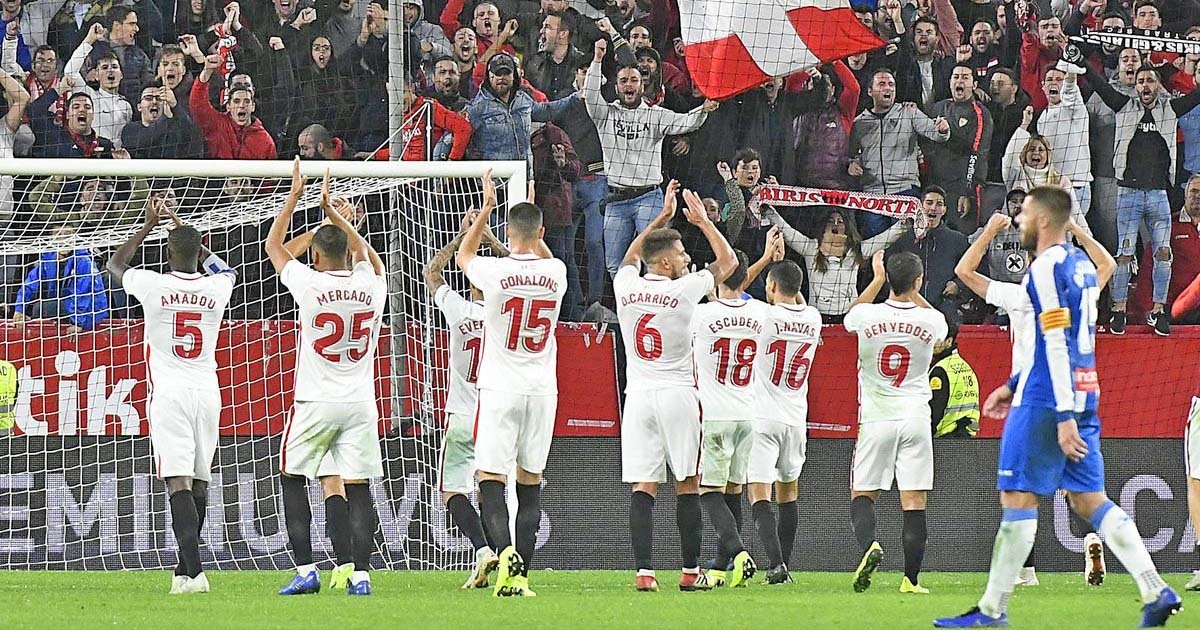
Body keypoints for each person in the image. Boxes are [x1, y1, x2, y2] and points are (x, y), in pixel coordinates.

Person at [934, 186, 1180, 629]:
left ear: (1044, 220)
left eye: (1025, 213)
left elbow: (1054, 341)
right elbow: (1065, 336)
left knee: (1017, 496)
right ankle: (1156, 589)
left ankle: (992, 610)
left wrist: (1060, 413)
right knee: (1089, 499)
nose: (1019, 220)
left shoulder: (1044, 269)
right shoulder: (1082, 266)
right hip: (1084, 388)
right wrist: (1013, 383)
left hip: (1048, 397)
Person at [958, 209, 1117, 589]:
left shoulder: (1018, 295)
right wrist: (1075, 228)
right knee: (1075, 483)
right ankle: (1091, 537)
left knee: (1022, 487)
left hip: (1031, 393)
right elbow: (1108, 265)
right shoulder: (1079, 289)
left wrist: (989, 231)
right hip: (1075, 393)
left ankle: (1025, 572)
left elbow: (964, 272)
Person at [265, 162, 387, 597]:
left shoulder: (309, 283)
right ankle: (362, 576)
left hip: (315, 400)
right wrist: (337, 216)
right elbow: (368, 258)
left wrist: (296, 199)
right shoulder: (372, 285)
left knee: (292, 476)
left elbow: (273, 246)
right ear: (349, 253)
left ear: (315, 257)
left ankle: (306, 569)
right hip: (359, 401)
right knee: (358, 487)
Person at [106, 196, 235, 595]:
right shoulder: (216, 288)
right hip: (207, 392)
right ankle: (185, 571)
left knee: (178, 482)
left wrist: (148, 224)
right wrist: (180, 225)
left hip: (170, 393)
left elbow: (115, 265)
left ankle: (195, 572)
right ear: (199, 253)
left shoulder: (154, 284)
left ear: (166, 252)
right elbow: (227, 269)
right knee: (199, 482)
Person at [614, 181, 737, 593]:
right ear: (666, 262)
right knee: (688, 482)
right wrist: (702, 222)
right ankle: (688, 571)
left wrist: (660, 219)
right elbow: (728, 261)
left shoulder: (625, 286)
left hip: (638, 398)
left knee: (643, 486)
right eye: (681, 254)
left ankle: (644, 573)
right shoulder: (684, 289)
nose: (687, 259)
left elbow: (631, 257)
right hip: (678, 394)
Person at [454, 172, 566, 598]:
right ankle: (520, 576)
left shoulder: (495, 272)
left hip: (500, 387)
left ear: (506, 231)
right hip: (542, 389)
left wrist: (485, 208)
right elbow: (543, 256)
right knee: (530, 482)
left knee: (490, 478)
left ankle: (503, 555)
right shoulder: (556, 271)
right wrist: (533, 222)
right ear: (541, 232)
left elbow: (464, 255)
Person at [843, 250, 948, 595]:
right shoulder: (931, 320)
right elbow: (941, 328)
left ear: (888, 278)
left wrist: (877, 279)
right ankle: (911, 580)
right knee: (914, 501)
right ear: (918, 281)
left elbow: (850, 315)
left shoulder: (866, 316)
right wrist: (914, 292)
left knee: (863, 493)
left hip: (877, 418)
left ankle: (869, 545)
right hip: (916, 417)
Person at [1081, 56, 1200, 337]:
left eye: (1150, 80)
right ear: (1135, 87)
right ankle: (1119, 310)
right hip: (1128, 194)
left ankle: (1158, 311)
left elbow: (1196, 96)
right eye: (1141, 81)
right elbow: (1099, 84)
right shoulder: (1123, 105)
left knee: (1163, 254)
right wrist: (1080, 59)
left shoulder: (1171, 109)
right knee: (1123, 254)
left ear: (1159, 86)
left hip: (1158, 194)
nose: (1145, 85)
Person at [423, 211, 510, 590]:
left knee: (452, 490)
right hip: (496, 416)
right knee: (494, 489)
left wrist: (464, 239)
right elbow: (519, 269)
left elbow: (431, 273)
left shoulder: (459, 309)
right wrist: (488, 238)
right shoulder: (506, 315)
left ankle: (482, 549)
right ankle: (505, 556)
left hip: (461, 415)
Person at [585, 37, 716, 276]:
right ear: (617, 87)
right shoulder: (605, 115)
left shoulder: (656, 115)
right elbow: (591, 94)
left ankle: (655, 299)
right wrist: (597, 60)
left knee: (654, 261)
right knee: (615, 264)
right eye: (623, 80)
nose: (629, 85)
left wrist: (703, 110)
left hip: (649, 198)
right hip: (616, 199)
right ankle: (626, 300)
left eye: (634, 80)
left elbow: (686, 122)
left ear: (642, 86)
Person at [689, 249, 769, 590]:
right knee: (734, 490)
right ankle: (720, 570)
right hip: (748, 413)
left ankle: (739, 553)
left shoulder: (701, 314)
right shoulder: (761, 312)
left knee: (708, 490)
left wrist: (709, 290)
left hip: (715, 414)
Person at [747, 259, 821, 585]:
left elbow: (733, 288)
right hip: (795, 419)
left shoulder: (763, 315)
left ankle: (776, 564)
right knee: (788, 493)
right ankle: (785, 566)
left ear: (772, 286)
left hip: (764, 417)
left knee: (759, 491)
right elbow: (799, 306)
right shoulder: (813, 318)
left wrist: (767, 258)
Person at [849, 69, 950, 237]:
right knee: (875, 245)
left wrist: (942, 129)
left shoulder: (909, 113)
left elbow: (935, 133)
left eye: (891, 84)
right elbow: (851, 154)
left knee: (905, 243)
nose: (888, 88)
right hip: (873, 195)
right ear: (870, 91)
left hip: (905, 191)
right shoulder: (859, 123)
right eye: (882, 84)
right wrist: (852, 163)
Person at [12, 225, 110, 332]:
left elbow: (83, 294)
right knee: (40, 307)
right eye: (58, 234)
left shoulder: (83, 261)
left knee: (41, 308)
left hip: (89, 311)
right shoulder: (48, 259)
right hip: (68, 306)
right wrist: (19, 309)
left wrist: (78, 323)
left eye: (68, 234)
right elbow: (30, 284)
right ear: (51, 239)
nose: (63, 239)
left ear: (75, 238)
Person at [190, 53, 277, 160]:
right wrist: (207, 71)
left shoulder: (266, 141)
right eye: (236, 101)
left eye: (246, 101)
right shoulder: (216, 124)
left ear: (253, 106)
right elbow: (197, 103)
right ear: (228, 106)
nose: (241, 106)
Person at [928, 315, 980, 438]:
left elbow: (935, 410)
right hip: (967, 436)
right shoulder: (966, 366)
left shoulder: (940, 370)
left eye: (937, 339)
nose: (931, 342)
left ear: (949, 341)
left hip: (943, 438)